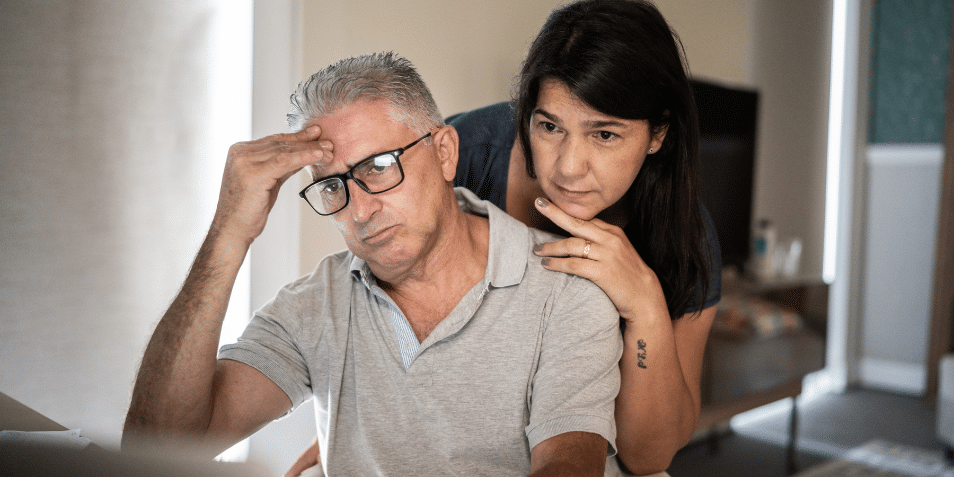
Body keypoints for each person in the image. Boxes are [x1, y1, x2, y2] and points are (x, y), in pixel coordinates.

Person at [122, 52, 623, 476]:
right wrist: (228, 235)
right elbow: (154, 449)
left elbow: (568, 467)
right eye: (333, 186)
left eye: (379, 167)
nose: (360, 211)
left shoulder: (565, 286)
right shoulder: (314, 305)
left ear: (445, 152)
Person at [290, 1, 722, 476]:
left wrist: (645, 305)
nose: (569, 167)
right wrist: (364, 429)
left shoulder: (686, 234)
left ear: (657, 133)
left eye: (604, 135)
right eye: (549, 126)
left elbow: (650, 455)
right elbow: (384, 312)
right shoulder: (461, 157)